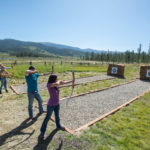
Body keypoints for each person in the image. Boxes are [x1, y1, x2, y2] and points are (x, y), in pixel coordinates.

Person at [40, 74, 74, 139]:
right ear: (53, 79)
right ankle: (42, 132)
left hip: (57, 104)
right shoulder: (49, 85)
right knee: (47, 118)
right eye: (56, 78)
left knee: (57, 116)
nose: (57, 79)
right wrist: (59, 82)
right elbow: (57, 83)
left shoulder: (56, 84)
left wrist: (71, 81)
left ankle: (58, 126)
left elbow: (63, 82)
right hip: (50, 105)